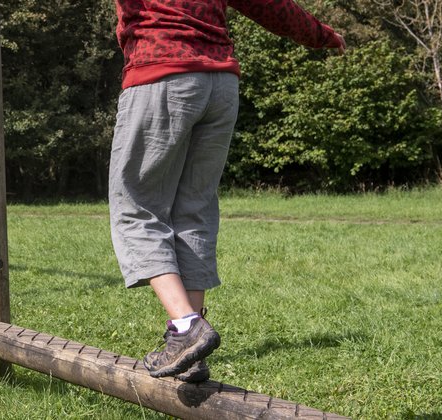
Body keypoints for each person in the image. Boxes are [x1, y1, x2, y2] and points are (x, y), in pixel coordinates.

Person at [108, 0, 345, 381]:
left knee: (137, 208)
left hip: (161, 73)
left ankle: (187, 327)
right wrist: (323, 36)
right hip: (219, 85)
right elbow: (271, 6)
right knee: (194, 211)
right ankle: (189, 349)